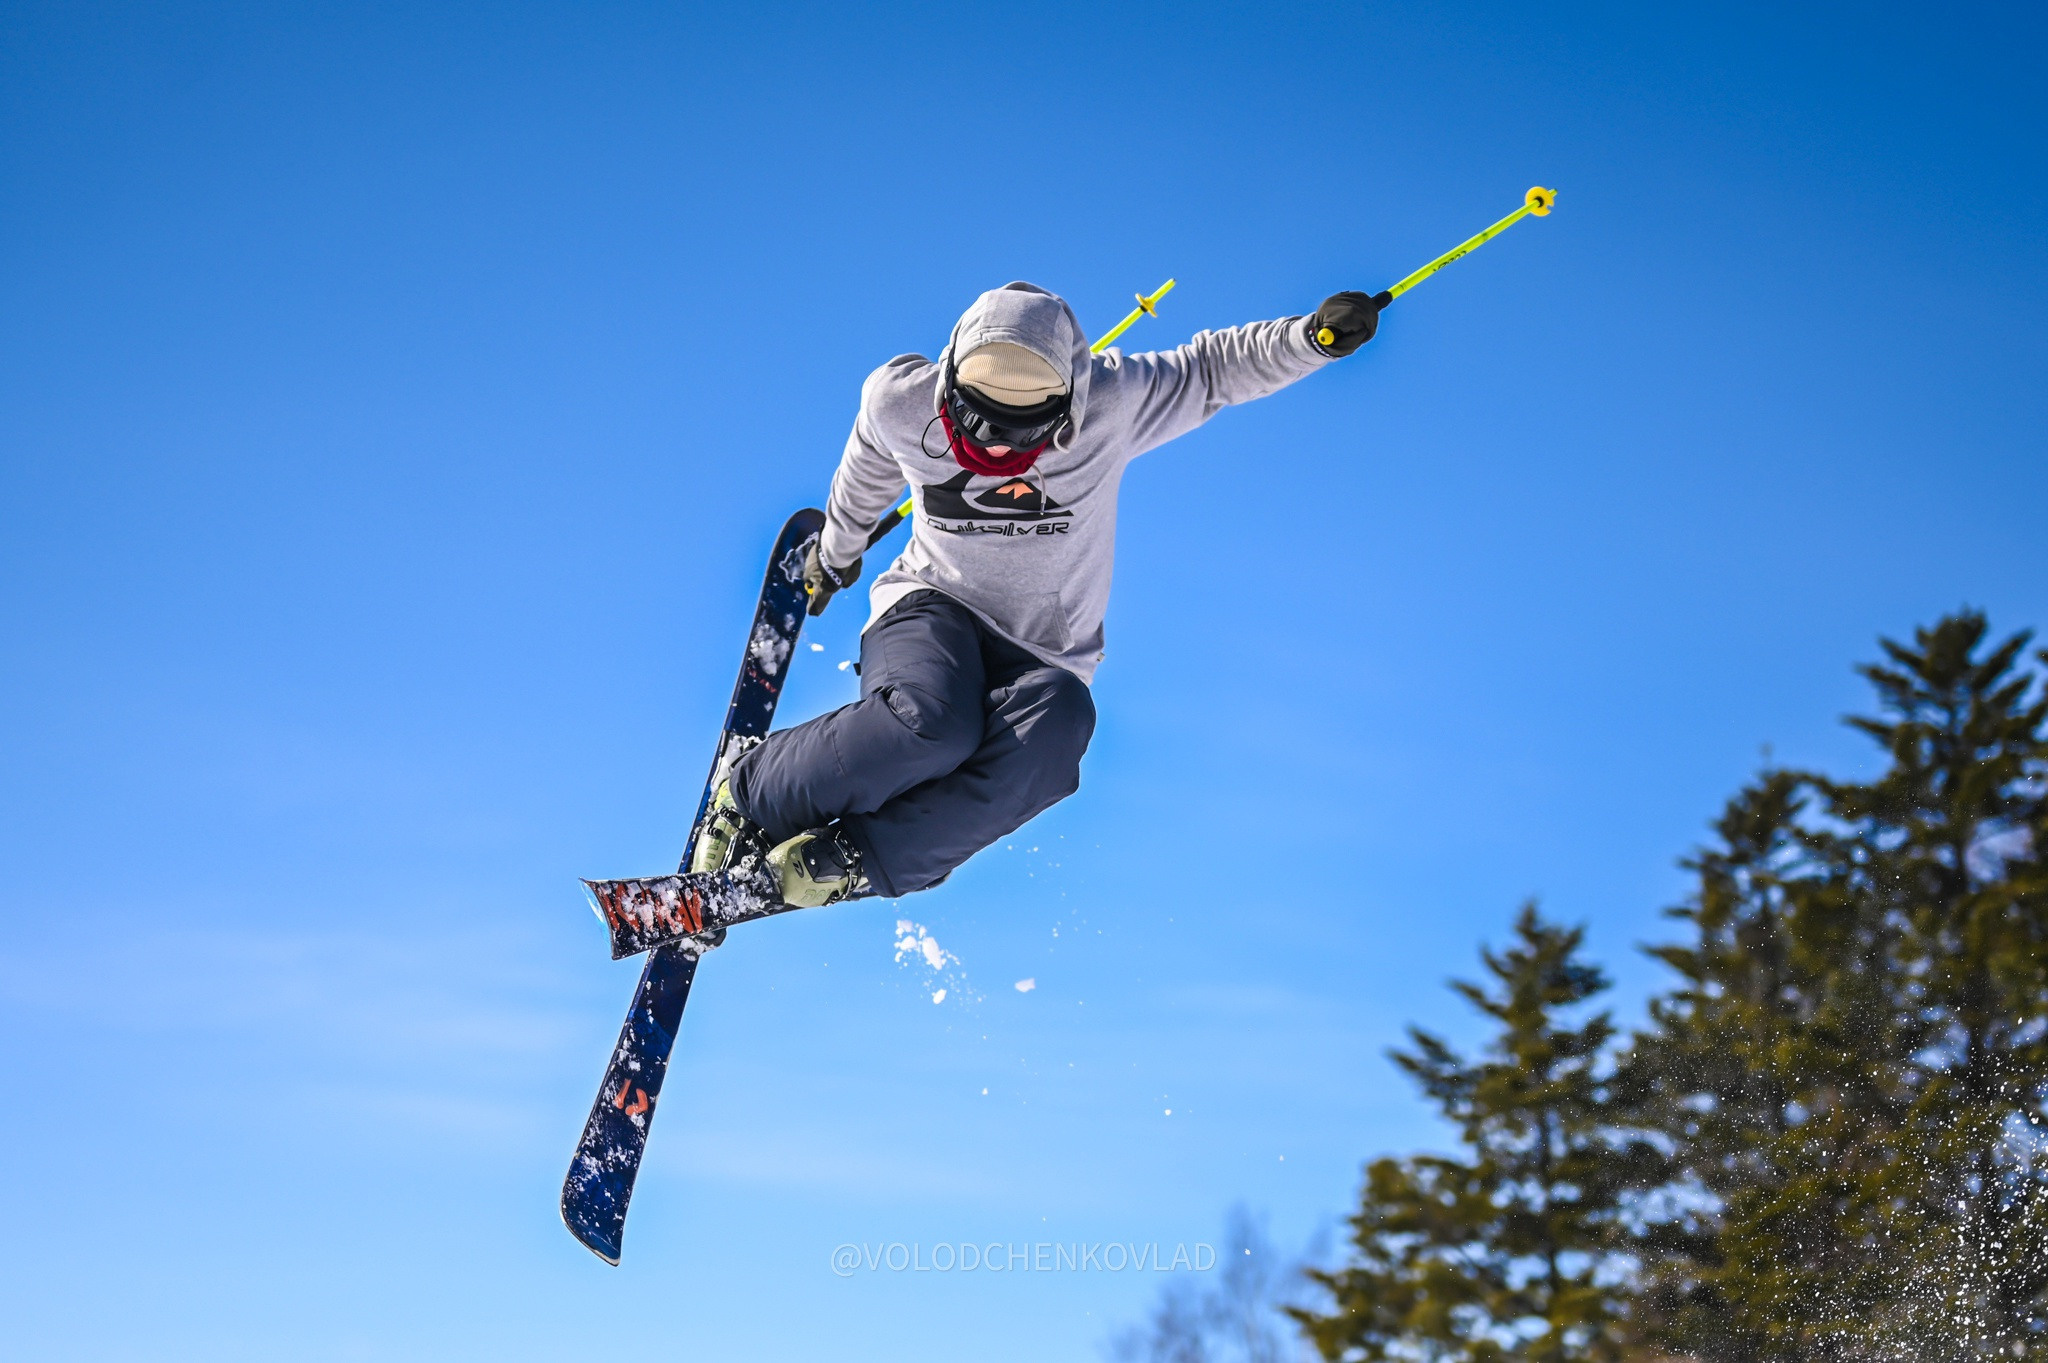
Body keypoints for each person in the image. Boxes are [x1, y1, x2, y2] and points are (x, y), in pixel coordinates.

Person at [695, 281, 1384, 905]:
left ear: (1066, 409)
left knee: (1058, 732)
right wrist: (834, 554)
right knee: (931, 719)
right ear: (948, 387)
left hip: (1043, 653)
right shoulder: (901, 398)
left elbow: (1209, 371)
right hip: (933, 602)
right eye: (977, 422)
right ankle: (752, 788)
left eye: (1017, 432)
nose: (993, 447)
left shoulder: (1112, 402)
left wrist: (1309, 339)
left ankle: (853, 858)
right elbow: (867, 468)